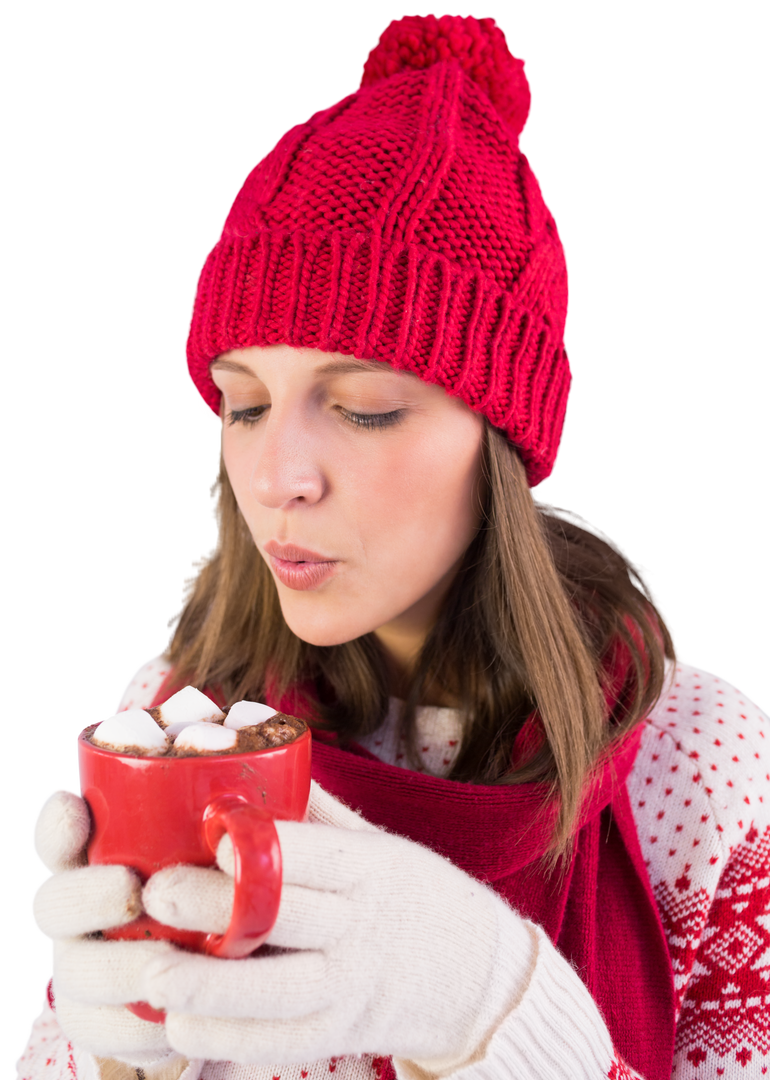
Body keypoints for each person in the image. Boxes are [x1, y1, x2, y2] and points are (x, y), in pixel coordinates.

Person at [14, 10, 769, 1080]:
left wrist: (501, 1017)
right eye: (240, 404)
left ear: (502, 443)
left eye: (364, 407)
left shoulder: (707, 769)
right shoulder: (170, 721)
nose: (279, 478)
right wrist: (109, 1061)